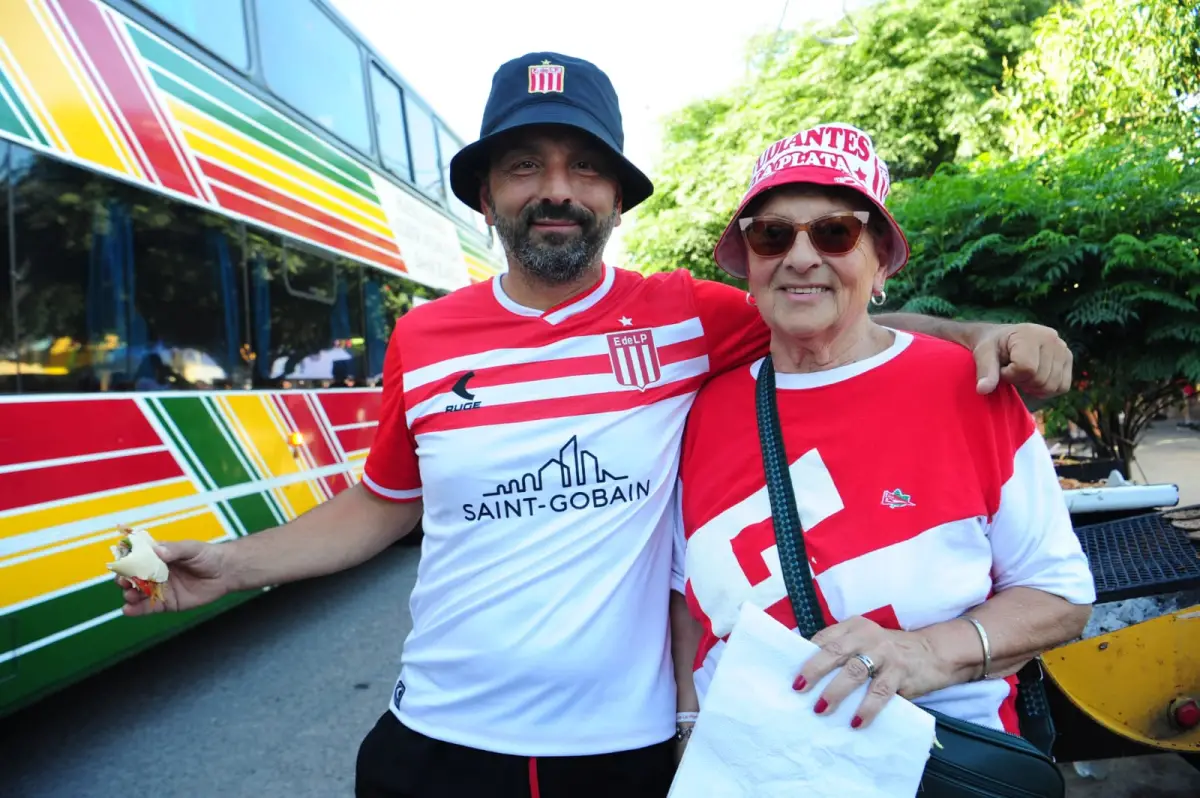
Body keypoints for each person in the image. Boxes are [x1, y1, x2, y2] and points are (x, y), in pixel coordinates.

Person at [115, 56, 1075, 798]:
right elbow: (380, 507)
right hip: (435, 740)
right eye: (525, 164)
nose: (557, 189)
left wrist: (983, 333)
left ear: (618, 195)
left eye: (584, 167)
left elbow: (833, 310)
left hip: (622, 755)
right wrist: (234, 566)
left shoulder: (692, 317)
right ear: (487, 193)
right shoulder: (425, 335)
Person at [670, 124, 1095, 764]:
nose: (801, 257)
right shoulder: (702, 407)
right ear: (750, 265)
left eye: (835, 232)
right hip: (745, 770)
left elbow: (1059, 596)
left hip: (928, 763)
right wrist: (687, 721)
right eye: (773, 234)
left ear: (882, 262)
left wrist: (924, 652)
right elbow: (686, 596)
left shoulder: (964, 387)